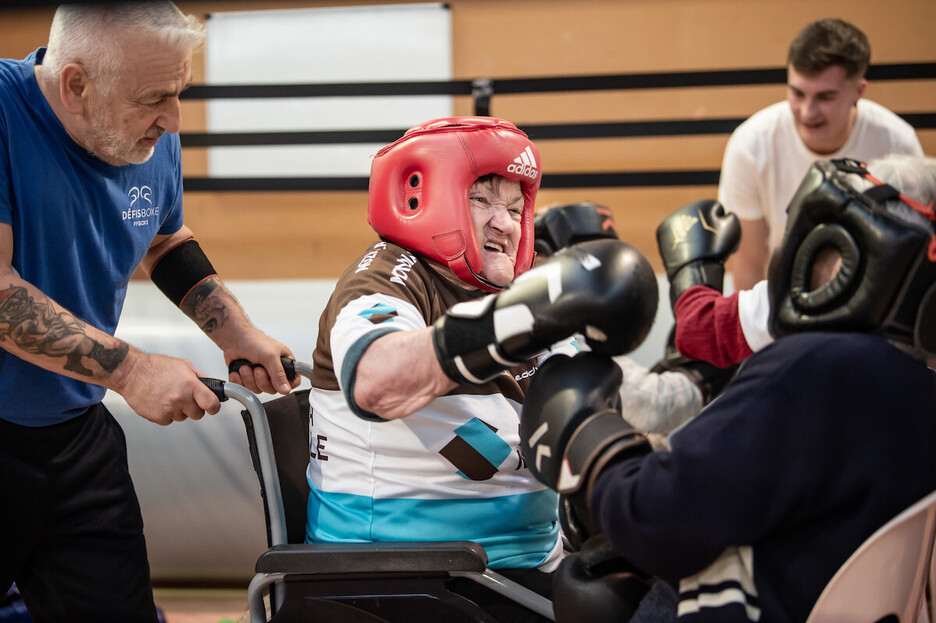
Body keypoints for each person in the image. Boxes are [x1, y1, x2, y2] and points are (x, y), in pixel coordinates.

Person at [519, 153, 936, 622]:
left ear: (861, 254)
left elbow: (656, 520)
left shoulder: (818, 367)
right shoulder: (914, 386)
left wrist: (588, 443)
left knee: (595, 592)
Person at [0, 4, 298, 622]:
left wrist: (234, 330)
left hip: (74, 435)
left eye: (179, 92)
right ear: (76, 85)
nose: (173, 118)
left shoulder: (149, 129)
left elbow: (163, 239)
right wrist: (132, 372)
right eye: (154, 98)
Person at [304, 116, 658, 622]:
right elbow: (374, 379)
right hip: (408, 578)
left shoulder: (522, 289)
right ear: (419, 197)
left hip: (522, 564)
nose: (506, 224)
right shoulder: (389, 275)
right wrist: (515, 321)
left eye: (516, 208)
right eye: (482, 201)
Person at [720, 17, 923, 290]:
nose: (808, 112)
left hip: (872, 312)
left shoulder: (898, 143)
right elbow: (749, 267)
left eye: (825, 97)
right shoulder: (749, 145)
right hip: (781, 307)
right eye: (797, 93)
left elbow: (915, 256)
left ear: (858, 91)